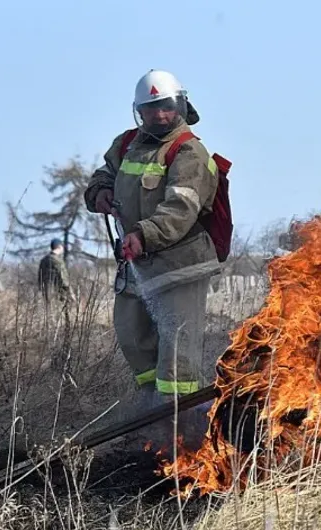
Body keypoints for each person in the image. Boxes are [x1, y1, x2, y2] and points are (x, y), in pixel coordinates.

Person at [84, 69, 221, 449]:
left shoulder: (190, 152)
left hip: (179, 268)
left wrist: (144, 235)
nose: (160, 115)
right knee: (133, 339)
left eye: (167, 107)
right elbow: (104, 174)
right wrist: (98, 193)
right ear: (138, 112)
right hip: (136, 266)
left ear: (180, 105)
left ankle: (188, 437)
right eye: (152, 109)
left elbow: (181, 209)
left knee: (177, 361)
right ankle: (152, 421)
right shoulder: (128, 144)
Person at [37, 238, 74, 306]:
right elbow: (64, 280)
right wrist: (71, 294)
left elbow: (40, 278)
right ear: (59, 247)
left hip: (45, 294)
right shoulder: (58, 261)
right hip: (58, 296)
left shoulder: (43, 261)